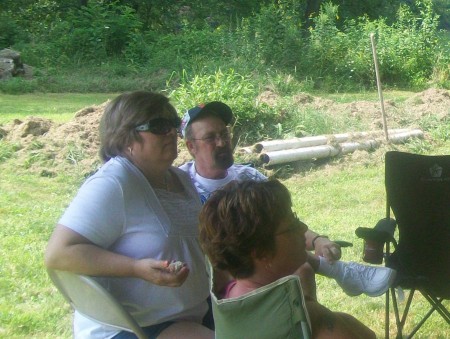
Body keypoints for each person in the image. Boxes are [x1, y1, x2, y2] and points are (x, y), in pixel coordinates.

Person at [179, 101, 396, 298]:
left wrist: (318, 240)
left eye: (224, 134)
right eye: (210, 138)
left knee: (302, 270)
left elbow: (282, 221)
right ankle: (338, 271)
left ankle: (312, 316)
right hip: (218, 271)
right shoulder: (179, 185)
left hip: (261, 261)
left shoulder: (249, 177)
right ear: (191, 146)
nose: (221, 142)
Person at [45, 91, 213, 339]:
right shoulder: (114, 183)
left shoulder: (180, 179)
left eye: (173, 124)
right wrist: (136, 268)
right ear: (126, 139)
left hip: (187, 316)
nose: (171, 132)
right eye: (158, 126)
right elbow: (59, 254)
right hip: (133, 328)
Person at [199, 179, 377, 338]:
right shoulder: (302, 318)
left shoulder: (229, 299)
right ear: (260, 251)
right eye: (292, 225)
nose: (303, 228)